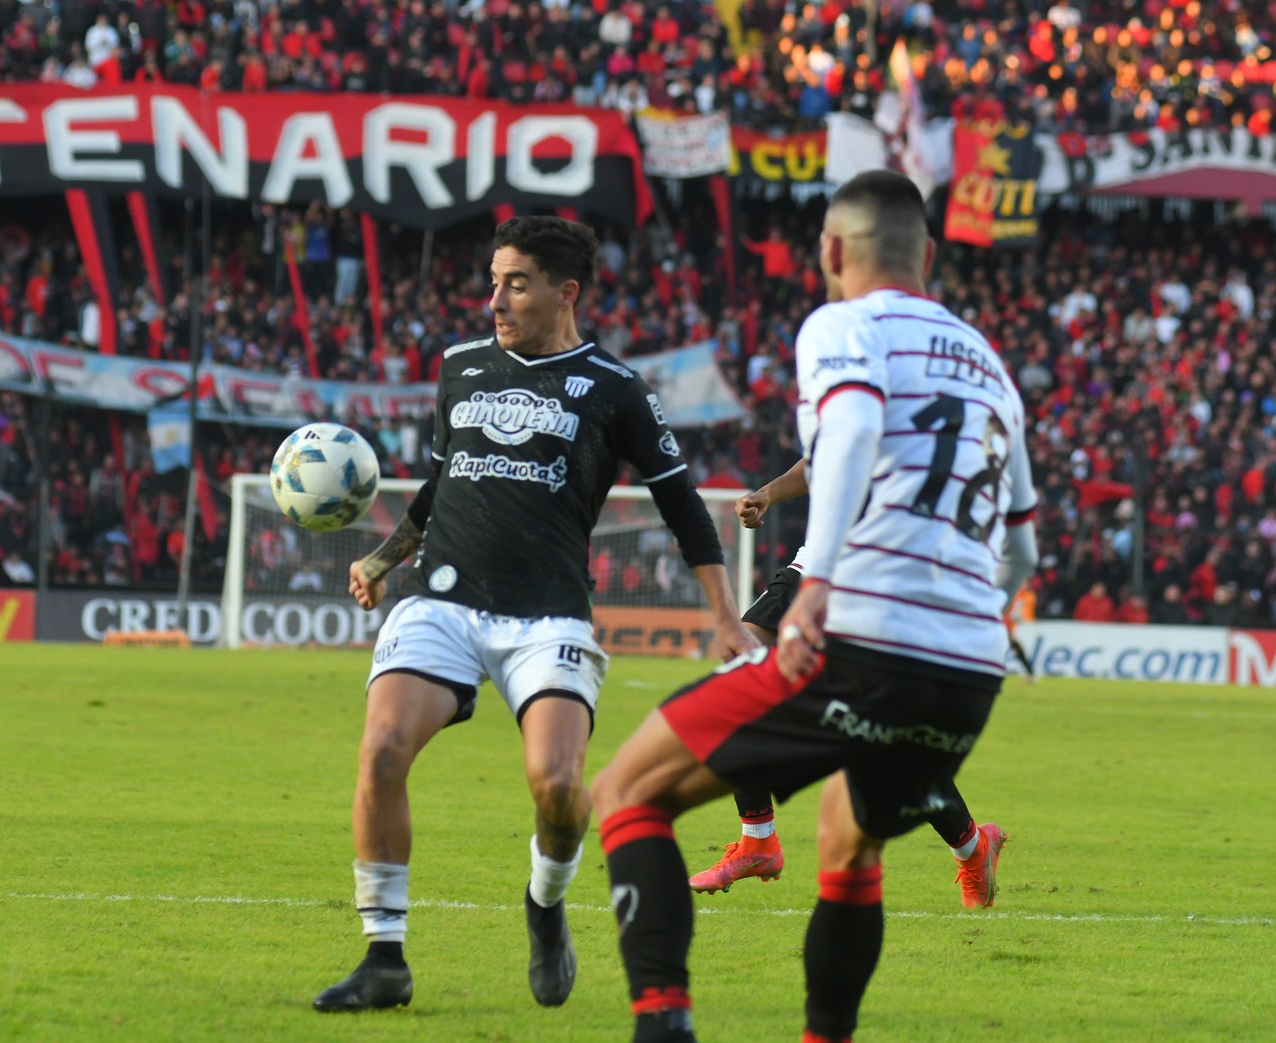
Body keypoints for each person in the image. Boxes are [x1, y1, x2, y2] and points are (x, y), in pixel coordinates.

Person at [591, 171, 1039, 1043]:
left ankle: (660, 1024)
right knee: (846, 839)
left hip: (867, 627)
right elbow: (1020, 539)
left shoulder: (841, 323)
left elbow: (859, 428)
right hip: (969, 665)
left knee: (628, 791)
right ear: (930, 256)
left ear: (832, 251)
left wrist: (822, 579)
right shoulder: (989, 364)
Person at [312, 216, 755, 1014]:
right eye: (492, 280)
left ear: (565, 291)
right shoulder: (460, 368)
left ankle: (545, 904)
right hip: (442, 598)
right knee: (380, 749)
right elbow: (440, 483)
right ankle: (384, 957)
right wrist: (383, 560)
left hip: (547, 613)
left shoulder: (615, 388)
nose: (495, 299)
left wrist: (725, 616)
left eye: (515, 282)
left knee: (556, 786)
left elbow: (683, 507)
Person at [687, 458, 1009, 904]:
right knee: (734, 679)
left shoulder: (927, 417)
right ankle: (758, 840)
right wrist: (768, 493)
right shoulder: (845, 398)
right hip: (809, 576)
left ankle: (973, 849)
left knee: (888, 747)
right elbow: (823, 457)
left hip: (877, 593)